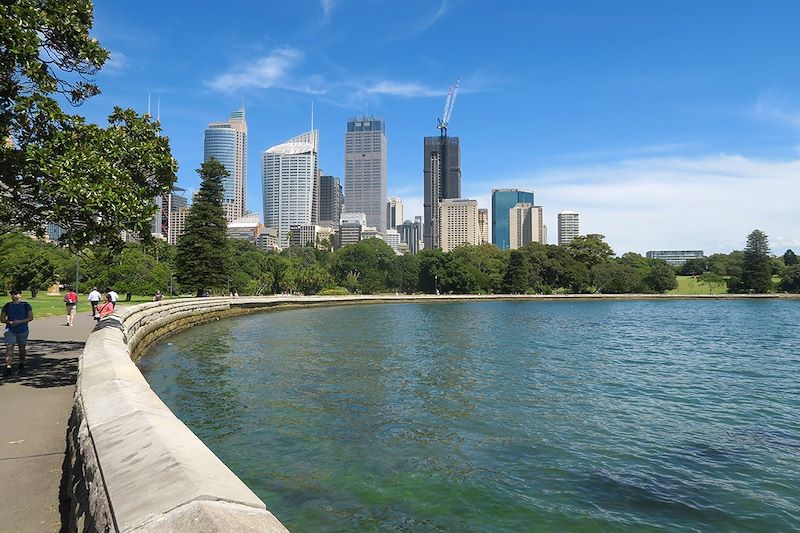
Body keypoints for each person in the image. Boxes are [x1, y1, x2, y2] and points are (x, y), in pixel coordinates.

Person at [1, 289, 33, 375]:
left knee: (21, 348)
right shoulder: (7, 305)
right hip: (10, 330)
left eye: (16, 294)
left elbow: (30, 317)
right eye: (12, 294)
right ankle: (8, 367)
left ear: (20, 295)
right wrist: (9, 322)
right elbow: (2, 319)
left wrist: (20, 321)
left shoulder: (25, 305)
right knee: (9, 348)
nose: (13, 295)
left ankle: (21, 363)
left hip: (23, 330)